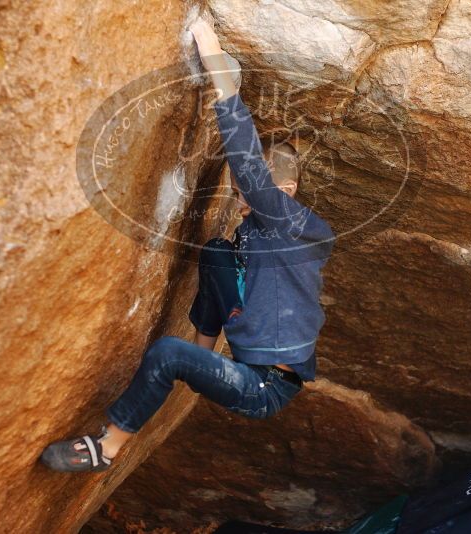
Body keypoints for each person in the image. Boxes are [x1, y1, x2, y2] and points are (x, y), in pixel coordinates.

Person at [40, 16, 335, 472]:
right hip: (243, 364)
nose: (242, 202)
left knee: (167, 354)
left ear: (288, 190)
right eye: (238, 195)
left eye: (247, 194)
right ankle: (203, 351)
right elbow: (225, 269)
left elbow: (242, 151)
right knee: (218, 251)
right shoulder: (261, 233)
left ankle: (107, 449)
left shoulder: (288, 221)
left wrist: (210, 46)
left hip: (266, 387)